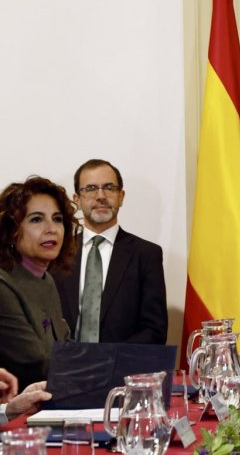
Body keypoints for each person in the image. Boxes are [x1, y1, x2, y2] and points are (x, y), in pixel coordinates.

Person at [54, 159, 167, 344]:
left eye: (109, 187)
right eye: (90, 188)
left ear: (121, 196)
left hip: (123, 368)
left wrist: (109, 361)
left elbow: (155, 331)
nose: (101, 196)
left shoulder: (146, 254)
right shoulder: (57, 253)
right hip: (66, 367)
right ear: (77, 199)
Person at [0, 177, 78, 387]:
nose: (52, 228)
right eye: (36, 219)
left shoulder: (47, 280)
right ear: (11, 230)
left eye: (58, 219)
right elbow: (35, 363)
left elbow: (65, 346)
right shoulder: (3, 284)